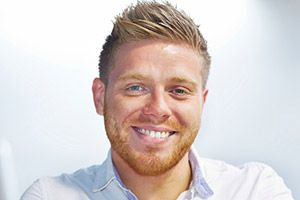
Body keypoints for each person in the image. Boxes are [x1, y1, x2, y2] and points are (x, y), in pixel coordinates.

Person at [21, 1, 294, 199]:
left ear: (202, 102)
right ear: (100, 97)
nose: (158, 110)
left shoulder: (255, 190)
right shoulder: (50, 195)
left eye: (178, 91)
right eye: (136, 87)